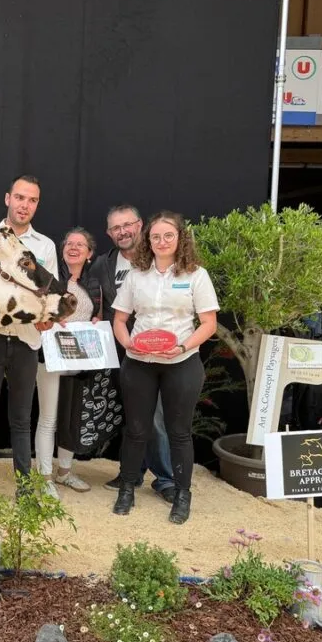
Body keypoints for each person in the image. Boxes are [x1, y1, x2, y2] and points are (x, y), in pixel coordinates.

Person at [111, 211, 218, 524]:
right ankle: (127, 488)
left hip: (181, 363)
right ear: (149, 240)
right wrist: (127, 343)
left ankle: (182, 494)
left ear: (179, 238)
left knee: (179, 433)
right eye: (155, 236)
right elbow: (119, 319)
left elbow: (209, 323)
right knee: (136, 430)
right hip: (139, 363)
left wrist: (183, 346)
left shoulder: (196, 275)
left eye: (168, 236)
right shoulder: (136, 275)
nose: (161, 241)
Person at [0, 175, 58, 506]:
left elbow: (49, 293)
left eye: (32, 200)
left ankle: (24, 489)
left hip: (26, 340)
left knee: (21, 419)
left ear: (37, 205)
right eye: (19, 197)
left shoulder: (45, 246)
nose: (24, 205)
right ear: (8, 198)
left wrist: (47, 317)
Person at [90, 205, 177, 503]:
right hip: (120, 352)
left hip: (160, 354)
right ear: (109, 233)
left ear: (140, 224)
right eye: (116, 228)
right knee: (132, 415)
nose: (122, 231)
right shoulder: (103, 264)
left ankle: (166, 478)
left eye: (127, 224)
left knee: (156, 417)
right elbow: (97, 304)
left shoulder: (160, 259)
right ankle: (134, 472)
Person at [34, 227, 102, 495]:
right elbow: (38, 310)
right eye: (69, 243)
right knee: (48, 418)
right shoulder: (51, 279)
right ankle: (45, 477)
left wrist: (97, 319)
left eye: (80, 245)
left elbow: (97, 313)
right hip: (49, 355)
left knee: (72, 418)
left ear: (89, 253)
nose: (74, 248)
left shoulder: (94, 284)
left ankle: (65, 472)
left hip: (79, 357)